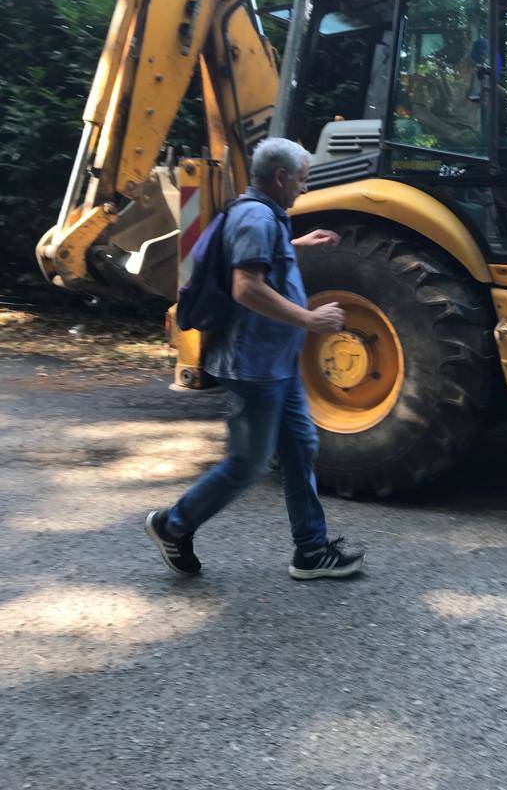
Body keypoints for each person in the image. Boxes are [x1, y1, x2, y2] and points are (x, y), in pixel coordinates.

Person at [145, 138, 366, 580]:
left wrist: (297, 243)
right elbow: (246, 286)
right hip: (255, 367)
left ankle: (311, 550)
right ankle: (173, 525)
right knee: (247, 464)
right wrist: (310, 319)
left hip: (276, 364)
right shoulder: (256, 217)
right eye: (302, 179)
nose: (304, 188)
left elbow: (258, 259)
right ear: (282, 177)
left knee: (301, 447)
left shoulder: (264, 215)